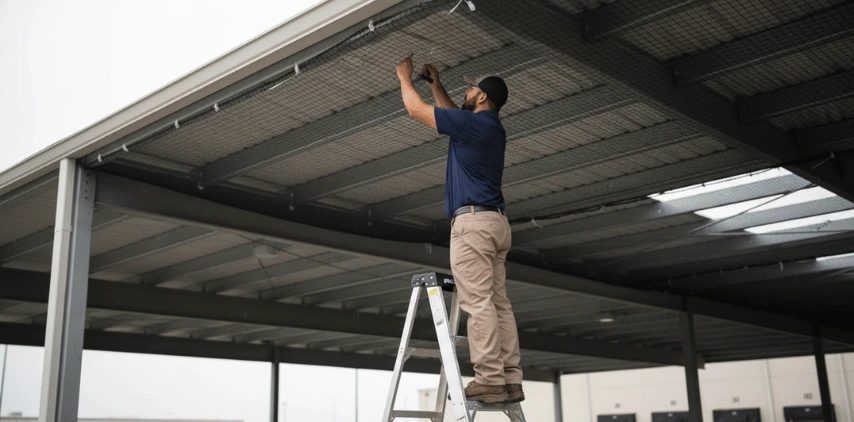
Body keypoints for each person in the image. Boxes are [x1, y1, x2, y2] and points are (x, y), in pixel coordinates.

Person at [395, 56, 524, 404]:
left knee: (478, 303)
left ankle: (490, 380)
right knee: (498, 304)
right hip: (496, 223)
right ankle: (510, 379)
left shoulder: (474, 125)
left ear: (482, 97)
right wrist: (436, 85)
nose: (466, 92)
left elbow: (415, 111)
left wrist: (404, 77)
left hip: (473, 225)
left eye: (471, 89)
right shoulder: (488, 127)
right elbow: (455, 115)